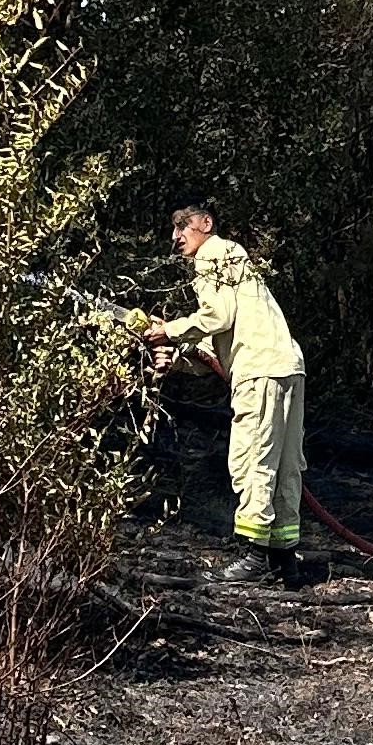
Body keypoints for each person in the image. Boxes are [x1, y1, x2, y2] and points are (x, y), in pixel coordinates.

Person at [142, 207, 307, 584]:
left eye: (183, 226)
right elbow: (215, 349)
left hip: (260, 369)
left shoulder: (213, 255)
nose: (175, 236)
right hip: (285, 365)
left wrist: (170, 330)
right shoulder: (236, 261)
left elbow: (217, 317)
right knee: (284, 464)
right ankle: (284, 556)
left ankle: (252, 556)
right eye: (173, 229)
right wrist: (177, 356)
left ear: (206, 224)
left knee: (252, 461)